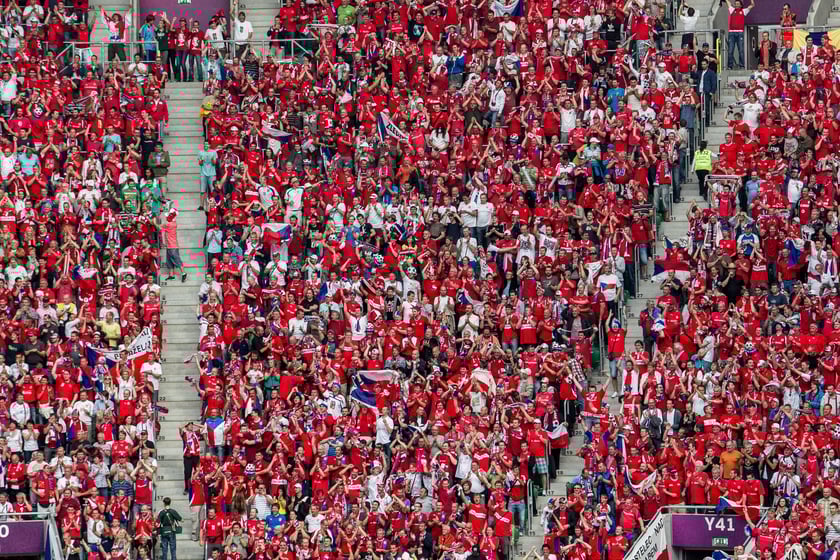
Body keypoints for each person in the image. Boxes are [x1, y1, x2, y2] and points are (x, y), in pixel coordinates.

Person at [160, 208, 186, 282]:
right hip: (170, 245)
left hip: (172, 246)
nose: (166, 217)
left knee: (177, 260)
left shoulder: (168, 224)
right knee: (169, 261)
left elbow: (159, 227)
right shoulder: (174, 223)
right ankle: (171, 275)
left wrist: (152, 221)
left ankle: (183, 273)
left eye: (168, 216)